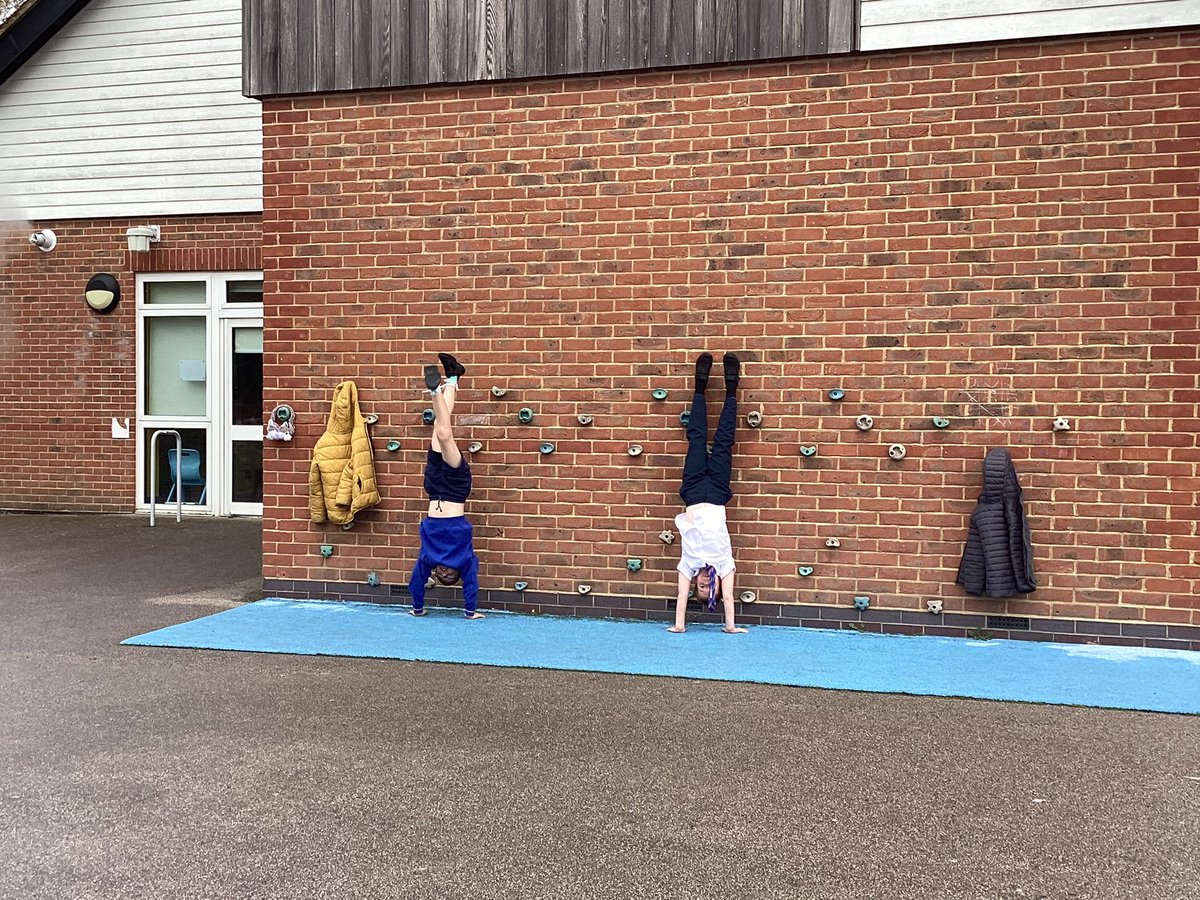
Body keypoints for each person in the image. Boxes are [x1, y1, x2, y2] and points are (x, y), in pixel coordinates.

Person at [668, 352, 747, 635]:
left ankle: (700, 386)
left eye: (698, 586)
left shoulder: (688, 564)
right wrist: (731, 627)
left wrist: (679, 625)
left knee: (697, 438)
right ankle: (731, 386)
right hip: (715, 492)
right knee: (725, 441)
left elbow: (680, 595)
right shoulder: (725, 564)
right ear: (713, 585)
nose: (701, 582)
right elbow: (728, 597)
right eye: (705, 587)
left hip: (691, 491)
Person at [408, 353, 484, 619]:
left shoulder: (428, 559)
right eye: (448, 575)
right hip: (454, 487)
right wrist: (470, 611)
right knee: (443, 432)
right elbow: (471, 584)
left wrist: (418, 609)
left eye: (440, 576)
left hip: (433, 487)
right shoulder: (465, 560)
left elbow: (416, 582)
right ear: (457, 575)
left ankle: (453, 378)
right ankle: (434, 389)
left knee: (441, 426)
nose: (443, 573)